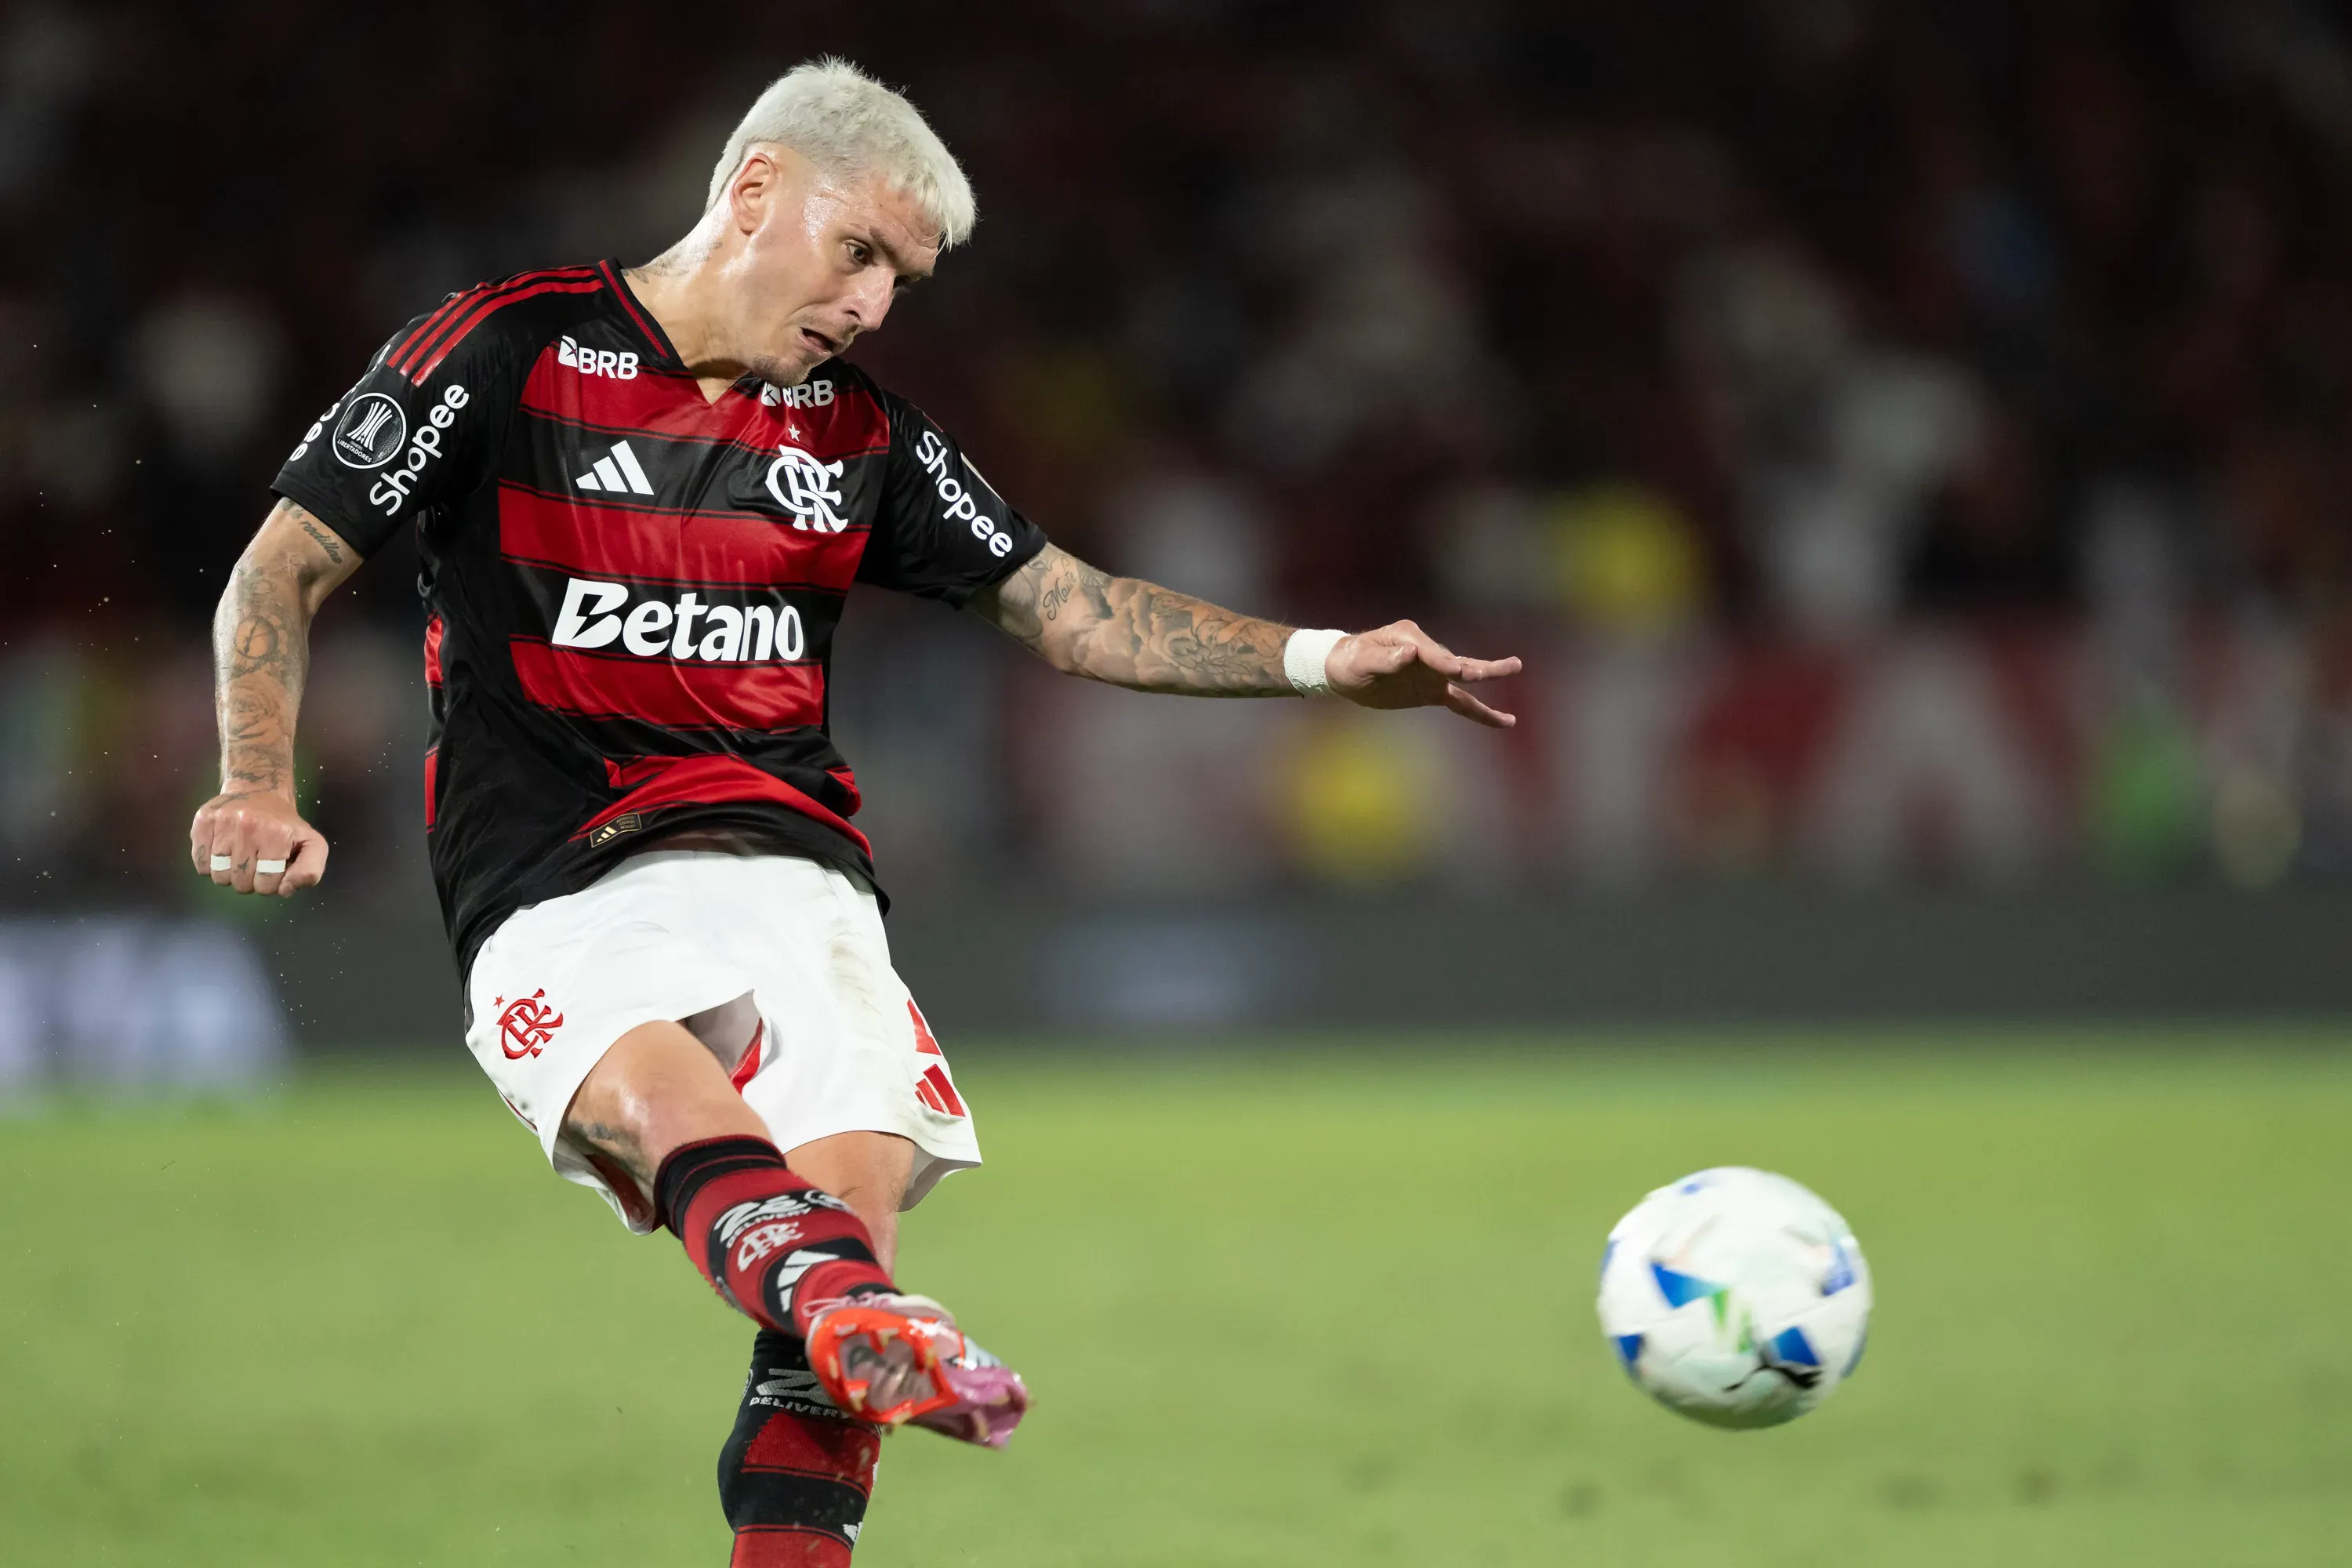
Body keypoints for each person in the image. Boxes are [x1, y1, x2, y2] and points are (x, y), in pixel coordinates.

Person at [187, 58, 1521, 1566]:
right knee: (691, 1128)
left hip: (798, 881)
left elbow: (1069, 608)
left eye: (901, 280)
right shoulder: (509, 348)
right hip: (560, 879)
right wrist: (256, 778)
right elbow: (282, 564)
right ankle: (850, 1307)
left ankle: (844, 1307)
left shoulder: (857, 436)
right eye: (861, 252)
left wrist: (1326, 661)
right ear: (755, 190)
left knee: (836, 1244)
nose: (875, 305)